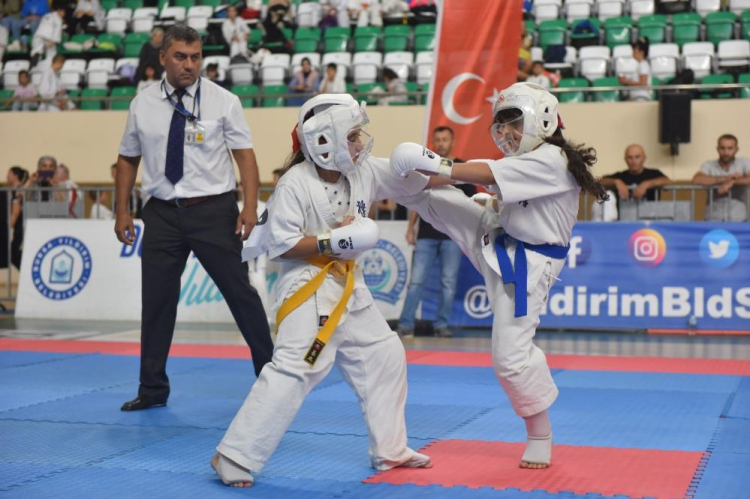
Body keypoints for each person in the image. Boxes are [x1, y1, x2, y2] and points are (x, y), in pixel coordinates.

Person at [211, 94, 435, 487]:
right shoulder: (295, 184)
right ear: (325, 142)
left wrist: (449, 169)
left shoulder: (362, 171)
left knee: (384, 354)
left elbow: (414, 181)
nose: (360, 143)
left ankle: (390, 448)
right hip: (308, 286)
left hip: (349, 286)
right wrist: (336, 240)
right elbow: (281, 245)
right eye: (352, 136)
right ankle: (233, 455)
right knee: (297, 367)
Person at [390, 82, 610, 470]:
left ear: (542, 121)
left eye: (514, 123)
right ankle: (369, 173)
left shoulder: (552, 158)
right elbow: (497, 183)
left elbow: (482, 170)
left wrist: (433, 162)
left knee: (509, 358)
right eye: (501, 125)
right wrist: (409, 173)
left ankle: (540, 433)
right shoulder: (529, 158)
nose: (506, 133)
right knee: (430, 195)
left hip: (528, 269)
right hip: (496, 238)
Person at [114, 25, 273, 412]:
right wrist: (122, 210)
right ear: (163, 58)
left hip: (214, 211)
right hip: (161, 213)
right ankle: (152, 389)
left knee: (241, 294)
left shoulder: (224, 101)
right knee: (156, 303)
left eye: (196, 57)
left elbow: (245, 157)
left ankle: (273, 379)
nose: (189, 64)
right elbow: (127, 159)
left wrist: (249, 207)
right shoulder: (142, 104)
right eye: (181, 57)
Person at [397, 126, 475, 339]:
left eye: (445, 139)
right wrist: (411, 228)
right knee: (416, 281)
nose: (441, 143)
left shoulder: (463, 169)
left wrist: (467, 235)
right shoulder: (426, 169)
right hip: (426, 234)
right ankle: (405, 324)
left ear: (452, 142)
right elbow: (416, 198)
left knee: (448, 283)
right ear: (433, 143)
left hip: (452, 235)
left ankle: (441, 325)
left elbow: (471, 205)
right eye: (438, 140)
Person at [693, 134, 750, 221]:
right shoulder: (709, 164)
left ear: (736, 149)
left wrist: (732, 182)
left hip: (738, 219)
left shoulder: (743, 163)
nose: (726, 152)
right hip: (713, 218)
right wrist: (726, 179)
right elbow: (697, 179)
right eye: (722, 148)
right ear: (717, 149)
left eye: (730, 148)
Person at [601, 144, 671, 210]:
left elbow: (668, 182)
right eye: (630, 157)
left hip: (650, 216)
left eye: (637, 157)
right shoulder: (620, 176)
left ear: (644, 158)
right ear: (625, 159)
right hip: (624, 217)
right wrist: (616, 182)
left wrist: (647, 184)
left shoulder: (653, 174)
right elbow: (600, 181)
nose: (633, 161)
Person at [6, 166, 28, 269]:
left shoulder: (19, 189)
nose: (7, 176)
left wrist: (10, 224)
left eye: (9, 173)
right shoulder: (13, 190)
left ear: (15, 175)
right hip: (16, 226)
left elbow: (16, 210)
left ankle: (26, 270)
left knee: (13, 252)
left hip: (19, 225)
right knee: (13, 252)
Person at [30, 0, 65, 65]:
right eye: (63, 12)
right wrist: (53, 40)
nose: (64, 14)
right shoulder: (58, 18)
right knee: (52, 56)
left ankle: (33, 68)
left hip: (38, 36)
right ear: (59, 10)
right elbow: (57, 31)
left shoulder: (46, 15)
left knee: (36, 53)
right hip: (48, 38)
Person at [618, 37, 651, 102]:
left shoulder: (643, 65)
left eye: (634, 49)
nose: (632, 52)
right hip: (637, 98)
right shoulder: (641, 65)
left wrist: (625, 81)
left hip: (641, 99)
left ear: (641, 52)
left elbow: (643, 83)